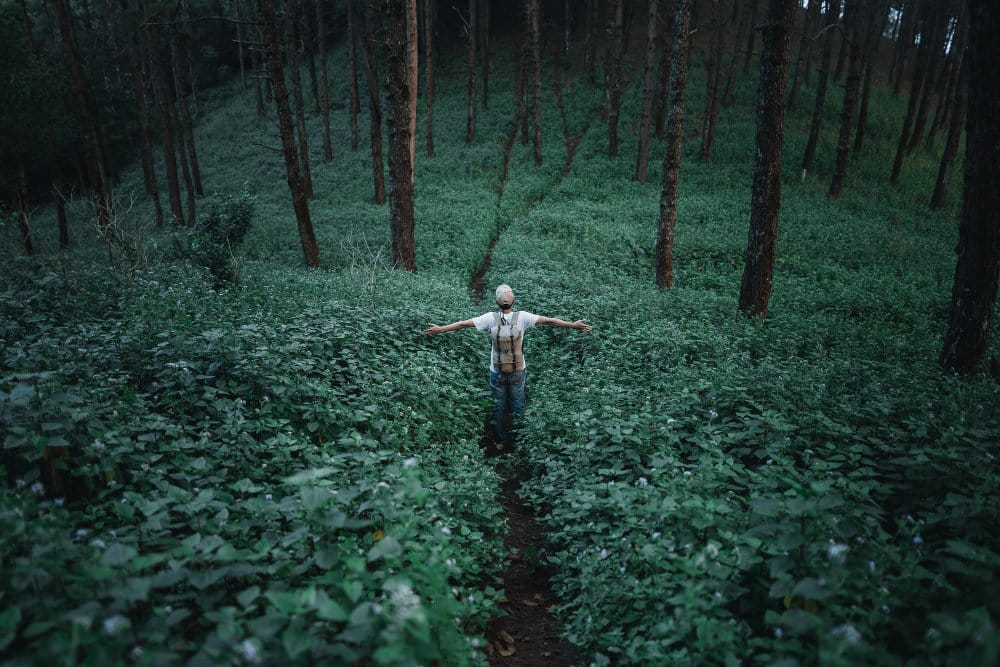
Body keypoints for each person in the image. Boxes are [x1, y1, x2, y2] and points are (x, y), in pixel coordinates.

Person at [424, 284, 591, 451]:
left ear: (497, 302)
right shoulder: (523, 317)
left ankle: (498, 442)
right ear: (513, 301)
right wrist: (573, 325)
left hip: (496, 370)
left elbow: (462, 324)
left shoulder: (489, 318)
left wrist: (441, 329)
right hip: (518, 370)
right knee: (517, 406)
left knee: (498, 407)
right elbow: (550, 321)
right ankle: (518, 441)